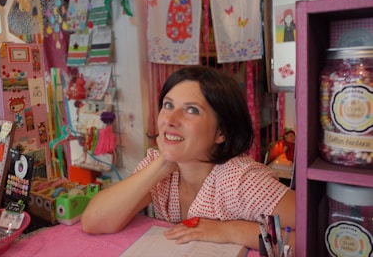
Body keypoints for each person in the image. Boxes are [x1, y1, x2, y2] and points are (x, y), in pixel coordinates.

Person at [81, 66, 295, 250]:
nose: (170, 120)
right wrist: (163, 163)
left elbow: (322, 235)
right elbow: (93, 221)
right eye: (168, 105)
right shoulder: (158, 165)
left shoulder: (240, 180)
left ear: (221, 132)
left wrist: (233, 231)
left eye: (191, 110)